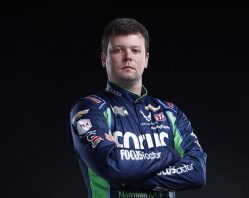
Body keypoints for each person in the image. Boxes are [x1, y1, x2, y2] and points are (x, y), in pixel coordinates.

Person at [69, 17, 207, 198]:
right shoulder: (89, 109)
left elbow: (197, 172)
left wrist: (127, 177)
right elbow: (112, 165)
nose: (128, 57)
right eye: (118, 50)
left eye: (135, 50)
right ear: (104, 58)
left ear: (146, 59)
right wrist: (169, 154)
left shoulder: (171, 112)